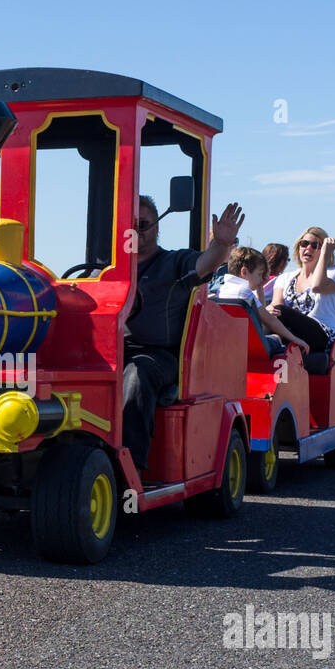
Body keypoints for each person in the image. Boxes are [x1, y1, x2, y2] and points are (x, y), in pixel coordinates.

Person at [121, 196, 241, 471]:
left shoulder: (174, 262)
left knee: (137, 376)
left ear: (157, 227)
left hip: (157, 356)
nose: (137, 230)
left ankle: (130, 467)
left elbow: (207, 262)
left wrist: (221, 244)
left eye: (143, 224)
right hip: (112, 351)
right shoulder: (105, 269)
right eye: (130, 224)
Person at [213, 246, 310, 357]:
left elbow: (259, 314)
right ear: (244, 271)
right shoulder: (244, 292)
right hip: (249, 345)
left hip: (229, 342)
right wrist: (295, 339)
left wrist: (259, 287)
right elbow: (268, 319)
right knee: (277, 337)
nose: (261, 279)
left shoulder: (221, 290)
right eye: (259, 274)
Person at [268, 228, 335, 354]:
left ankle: (276, 341)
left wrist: (325, 254)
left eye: (315, 246)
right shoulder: (284, 278)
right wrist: (267, 310)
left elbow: (317, 286)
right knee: (270, 313)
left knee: (281, 311)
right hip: (293, 332)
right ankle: (270, 342)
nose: (308, 248)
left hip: (325, 336)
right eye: (304, 244)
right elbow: (276, 306)